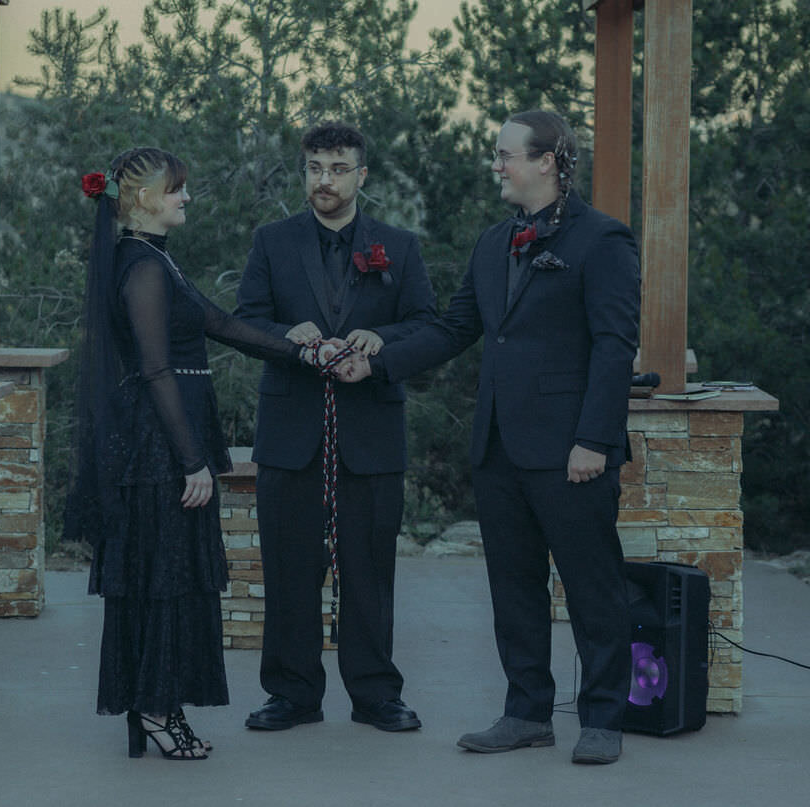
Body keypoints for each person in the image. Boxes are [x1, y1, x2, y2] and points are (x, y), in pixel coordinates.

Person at [338, 110, 641, 763]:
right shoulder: (492, 243)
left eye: (505, 155)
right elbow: (453, 329)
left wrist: (595, 438)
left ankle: (604, 718)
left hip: (572, 450)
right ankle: (527, 711)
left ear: (549, 161)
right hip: (499, 448)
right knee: (514, 588)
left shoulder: (603, 240)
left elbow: (616, 347)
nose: (496, 165)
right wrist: (379, 358)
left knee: (593, 587)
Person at [64, 147, 324, 760]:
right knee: (166, 578)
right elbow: (156, 371)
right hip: (159, 448)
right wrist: (190, 460)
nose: (186, 197)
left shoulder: (155, 259)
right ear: (145, 198)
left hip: (165, 439)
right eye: (177, 189)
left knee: (169, 578)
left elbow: (222, 323)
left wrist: (300, 346)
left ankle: (154, 703)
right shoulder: (144, 267)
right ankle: (155, 708)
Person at [235, 121, 437, 732]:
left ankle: (376, 694)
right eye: (315, 168)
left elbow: (427, 324)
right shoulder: (272, 241)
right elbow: (246, 321)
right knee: (291, 568)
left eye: (338, 168)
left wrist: (383, 341)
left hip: (369, 435)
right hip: (292, 435)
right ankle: (292, 694)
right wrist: (285, 336)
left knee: (369, 569)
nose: (325, 180)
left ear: (361, 176)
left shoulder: (397, 247)